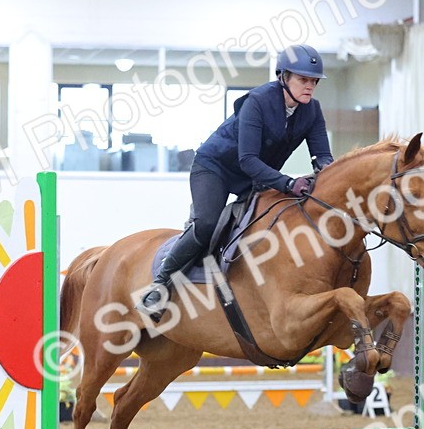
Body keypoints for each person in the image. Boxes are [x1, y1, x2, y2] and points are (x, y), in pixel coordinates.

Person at [140, 43, 335, 322]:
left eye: (314, 81)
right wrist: (288, 183)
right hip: (216, 167)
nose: (310, 86)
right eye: (303, 79)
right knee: (207, 224)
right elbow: (248, 160)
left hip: (257, 176)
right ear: (283, 77)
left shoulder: (312, 111)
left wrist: (327, 175)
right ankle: (160, 284)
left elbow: (323, 156)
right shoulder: (258, 101)